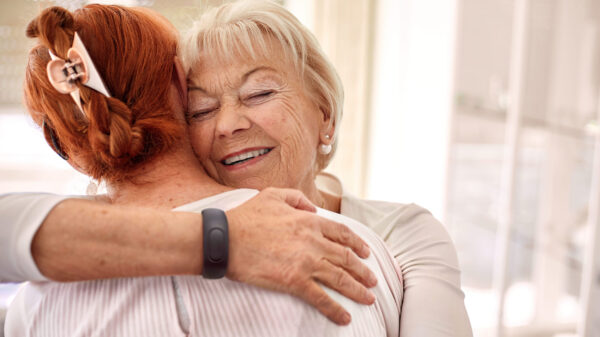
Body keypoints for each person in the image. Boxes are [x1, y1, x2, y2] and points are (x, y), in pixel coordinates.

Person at [5, 4, 402, 336]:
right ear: (180, 82)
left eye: (260, 93)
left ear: (63, 145)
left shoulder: (35, 306)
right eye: (208, 106)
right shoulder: (352, 253)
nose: (230, 124)